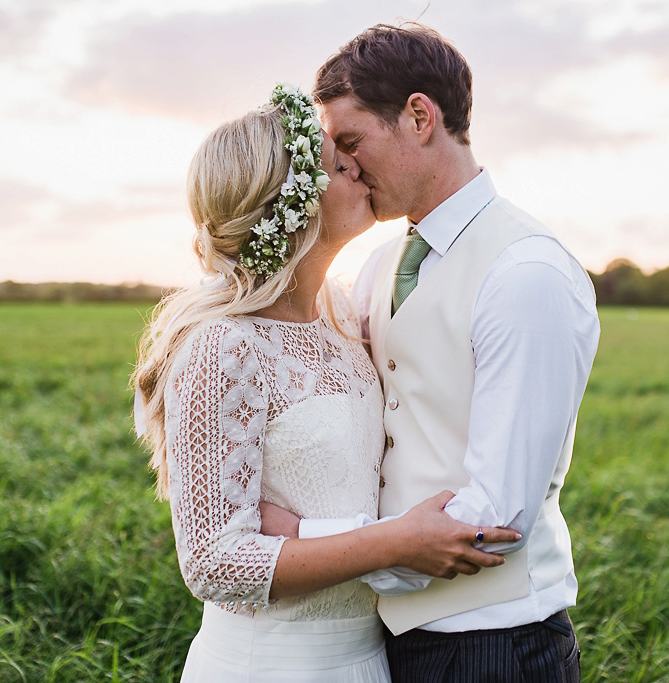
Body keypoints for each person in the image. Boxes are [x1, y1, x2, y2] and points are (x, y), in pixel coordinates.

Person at [130, 85, 520, 683]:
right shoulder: (224, 346)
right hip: (273, 665)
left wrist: (315, 533)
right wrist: (393, 543)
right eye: (340, 165)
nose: (360, 168)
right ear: (292, 204)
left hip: (364, 658)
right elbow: (213, 562)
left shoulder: (344, 315)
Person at [275, 23, 600, 682]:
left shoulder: (525, 272)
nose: (343, 167)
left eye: (351, 141)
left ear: (420, 116)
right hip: (393, 639)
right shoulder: (379, 267)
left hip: (495, 647)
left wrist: (307, 549)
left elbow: (494, 517)